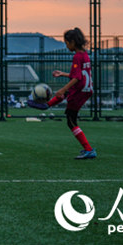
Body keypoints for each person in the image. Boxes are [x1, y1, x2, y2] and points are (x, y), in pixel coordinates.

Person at [28, 28, 97, 159]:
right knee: (67, 99)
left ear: (72, 42)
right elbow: (81, 75)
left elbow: (77, 78)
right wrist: (63, 74)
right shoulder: (84, 54)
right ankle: (47, 105)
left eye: (66, 43)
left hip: (80, 90)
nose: (66, 46)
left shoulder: (77, 56)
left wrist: (62, 89)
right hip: (85, 89)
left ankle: (89, 149)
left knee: (71, 120)